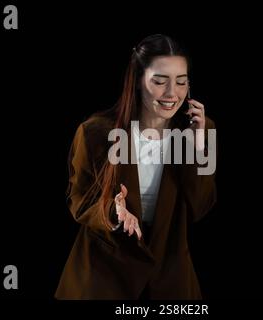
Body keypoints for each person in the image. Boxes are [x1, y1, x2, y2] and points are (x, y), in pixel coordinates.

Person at [55, 34, 216, 299]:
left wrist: (199, 147)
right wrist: (113, 211)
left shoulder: (201, 130)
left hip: (168, 279)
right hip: (103, 276)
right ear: (138, 81)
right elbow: (79, 200)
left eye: (182, 82)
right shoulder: (94, 133)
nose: (172, 94)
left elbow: (201, 206)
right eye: (160, 81)